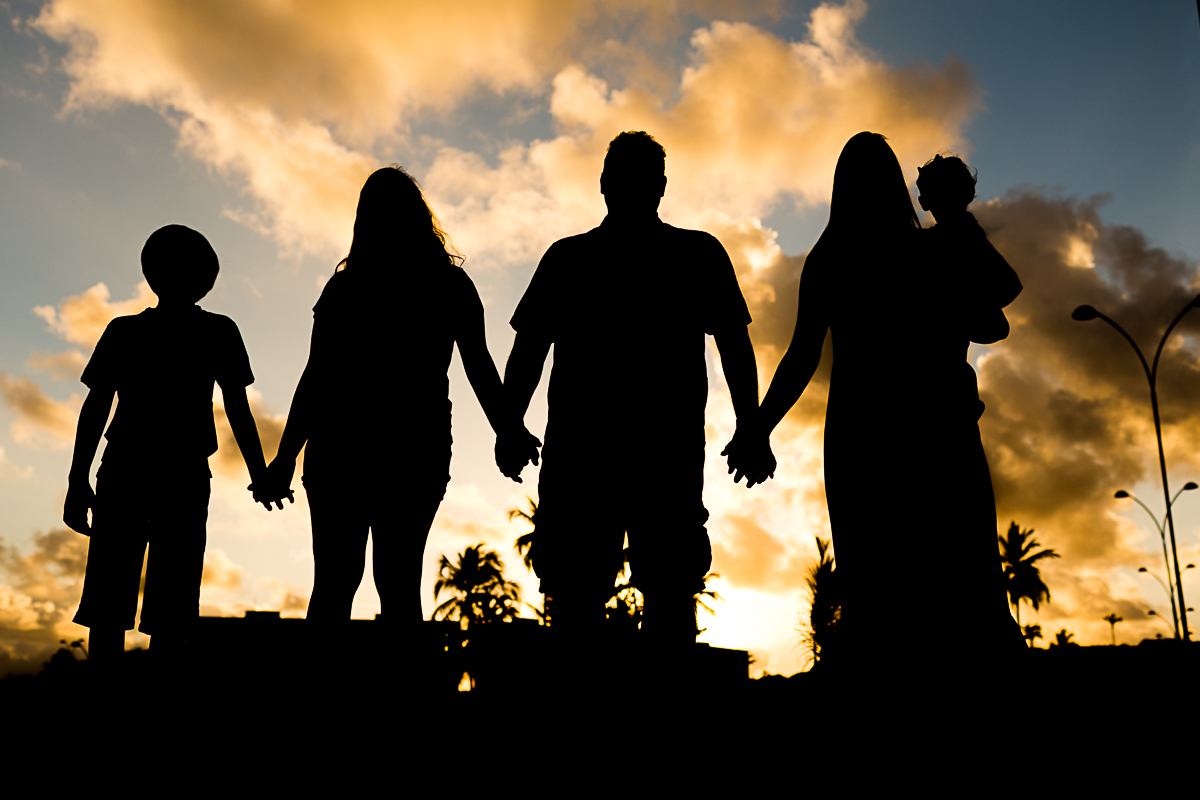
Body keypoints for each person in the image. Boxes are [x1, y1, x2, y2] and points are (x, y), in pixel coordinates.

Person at [726, 133, 1024, 683]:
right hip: (924, 436)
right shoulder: (922, 251)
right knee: (954, 586)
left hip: (885, 439)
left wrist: (758, 428)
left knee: (916, 590)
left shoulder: (842, 258)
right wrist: (955, 217)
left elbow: (801, 356)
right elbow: (998, 305)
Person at [502, 131, 760, 648]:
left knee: (622, 598)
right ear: (659, 186)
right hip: (640, 457)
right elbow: (527, 353)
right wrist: (751, 428)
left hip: (611, 458)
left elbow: (527, 354)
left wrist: (511, 427)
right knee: (640, 597)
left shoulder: (574, 258)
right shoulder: (689, 254)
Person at [263, 166, 539, 630]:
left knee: (335, 581)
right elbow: (479, 367)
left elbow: (317, 377)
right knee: (396, 581)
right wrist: (507, 429)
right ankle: (405, 696)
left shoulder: (347, 287)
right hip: (412, 446)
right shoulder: (446, 284)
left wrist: (286, 456)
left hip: (348, 445)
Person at [64, 224, 283, 663]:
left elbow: (96, 408)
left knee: (138, 605)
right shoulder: (210, 331)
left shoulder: (134, 331)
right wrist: (259, 475)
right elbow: (236, 408)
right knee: (157, 605)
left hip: (140, 470)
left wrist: (77, 478)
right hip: (160, 472)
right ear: (207, 278)